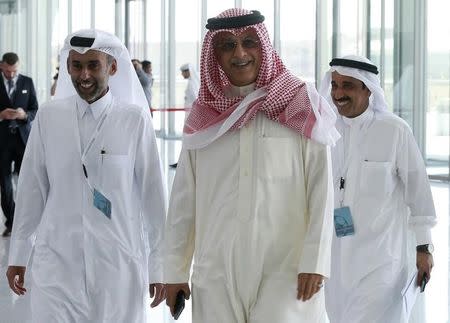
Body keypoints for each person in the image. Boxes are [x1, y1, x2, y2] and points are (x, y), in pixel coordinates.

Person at [164, 8, 340, 323]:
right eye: (227, 45)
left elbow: (321, 189)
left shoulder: (300, 103)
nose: (240, 53)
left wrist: (315, 261)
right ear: (214, 55)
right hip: (216, 270)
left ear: (264, 46)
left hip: (286, 269)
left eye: (249, 42)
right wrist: (175, 269)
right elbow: (183, 201)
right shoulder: (204, 117)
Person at [6, 29, 167, 322]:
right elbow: (31, 190)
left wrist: (160, 266)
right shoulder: (49, 117)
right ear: (67, 67)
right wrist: (18, 254)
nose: (84, 74)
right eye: (77, 65)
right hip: (56, 263)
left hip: (117, 265)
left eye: (94, 65)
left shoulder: (133, 120)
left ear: (113, 68)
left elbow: (153, 197)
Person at [318, 55, 437, 323]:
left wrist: (424, 248)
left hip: (383, 260)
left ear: (367, 89)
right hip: (336, 260)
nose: (338, 93)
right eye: (334, 85)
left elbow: (418, 191)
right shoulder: (325, 130)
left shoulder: (394, 130)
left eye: (347, 86)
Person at [0, 52, 38, 237]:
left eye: (14, 71)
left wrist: (24, 115)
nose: (11, 75)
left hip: (23, 140)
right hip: (2, 141)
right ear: (2, 66)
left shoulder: (27, 82)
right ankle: (12, 221)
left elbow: (35, 109)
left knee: (26, 182)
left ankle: (24, 220)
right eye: (8, 71)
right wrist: (1, 115)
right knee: (5, 184)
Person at [169, 63, 200, 168]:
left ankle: (185, 163)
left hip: (192, 117)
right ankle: (183, 162)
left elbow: (195, 101)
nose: (182, 74)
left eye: (183, 72)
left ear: (188, 72)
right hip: (190, 116)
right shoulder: (191, 83)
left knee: (188, 140)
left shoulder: (192, 85)